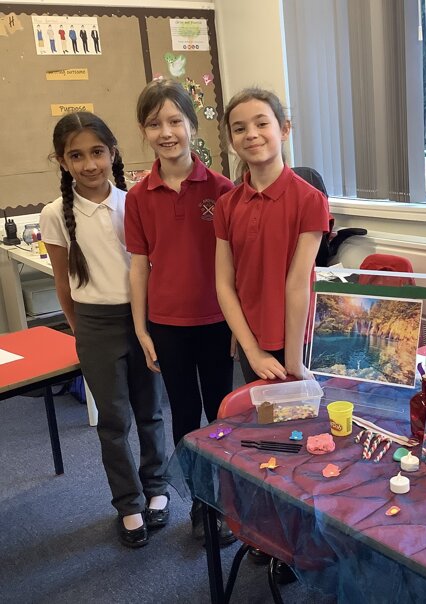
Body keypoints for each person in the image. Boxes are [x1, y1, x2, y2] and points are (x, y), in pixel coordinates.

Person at [40, 112, 168, 549]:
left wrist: (149, 323)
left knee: (151, 410)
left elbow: (149, 268)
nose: (89, 164)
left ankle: (157, 489)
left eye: (97, 152)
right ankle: (128, 503)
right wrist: (80, 330)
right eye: (76, 156)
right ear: (62, 161)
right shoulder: (55, 214)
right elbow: (62, 282)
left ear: (113, 153)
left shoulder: (134, 203)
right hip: (94, 323)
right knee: (113, 421)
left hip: (141, 319)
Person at [124, 79, 236, 545]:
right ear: (144, 131)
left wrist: (240, 326)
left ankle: (226, 502)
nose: (166, 132)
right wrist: (141, 330)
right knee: (185, 418)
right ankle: (200, 505)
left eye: (175, 121)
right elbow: (139, 268)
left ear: (192, 125)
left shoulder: (222, 189)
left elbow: (237, 266)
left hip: (216, 323)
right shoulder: (137, 197)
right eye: (155, 124)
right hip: (167, 326)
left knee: (222, 415)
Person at [215, 87, 330, 385]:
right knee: (261, 412)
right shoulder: (226, 205)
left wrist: (293, 360)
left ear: (284, 129)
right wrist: (252, 350)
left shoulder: (310, 199)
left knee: (300, 413)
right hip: (251, 340)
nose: (251, 134)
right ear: (232, 140)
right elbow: (224, 283)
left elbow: (298, 283)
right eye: (239, 128)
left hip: (297, 340)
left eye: (262, 123)